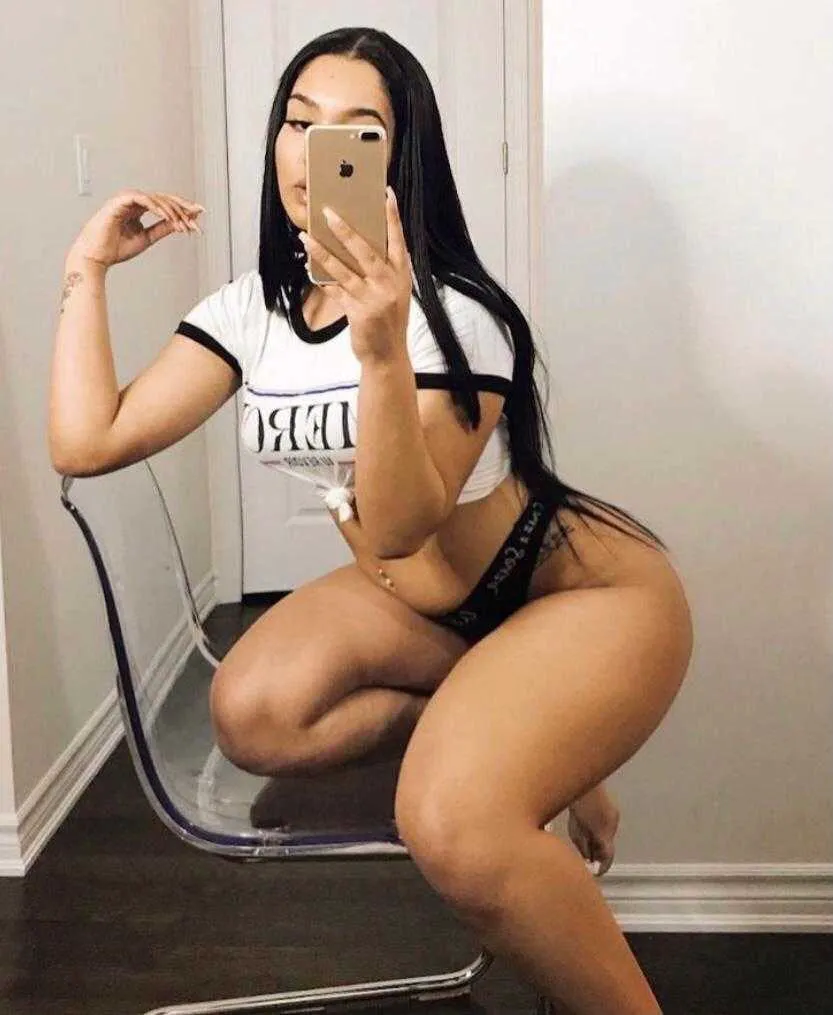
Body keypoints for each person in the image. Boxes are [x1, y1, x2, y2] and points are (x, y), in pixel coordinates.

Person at [49, 25, 693, 1015]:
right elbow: (87, 440)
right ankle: (521, 734)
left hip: (573, 593)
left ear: (400, 160)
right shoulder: (251, 313)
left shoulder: (459, 316)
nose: (316, 156)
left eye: (356, 132)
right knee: (252, 711)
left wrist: (381, 347)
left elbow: (397, 523)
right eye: (298, 123)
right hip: (424, 608)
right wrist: (86, 270)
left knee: (451, 826)